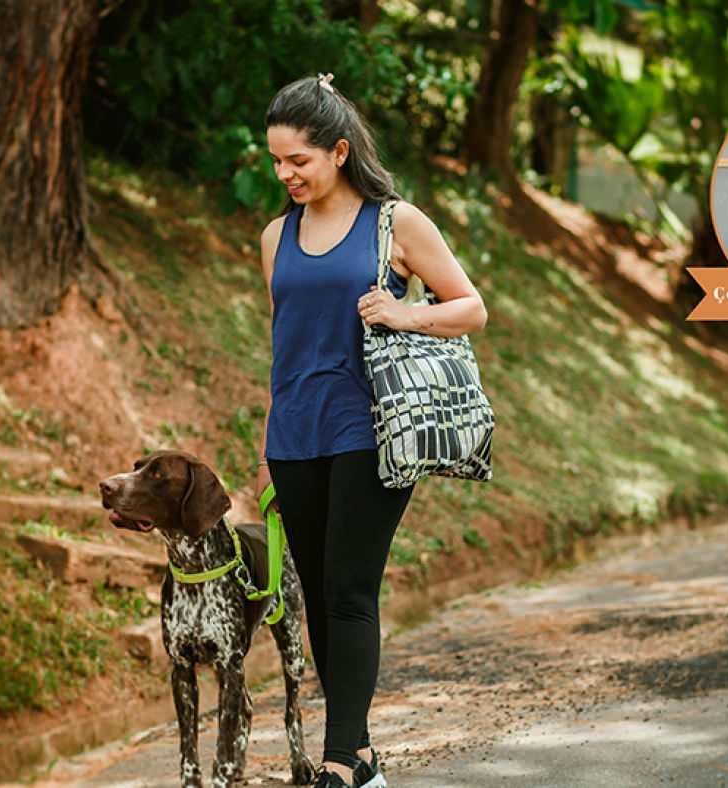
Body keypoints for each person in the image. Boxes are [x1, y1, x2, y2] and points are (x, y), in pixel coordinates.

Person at [253, 73, 487, 788]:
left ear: (340, 151)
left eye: (298, 160)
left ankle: (338, 766)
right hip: (295, 434)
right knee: (319, 597)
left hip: (372, 429)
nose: (285, 174)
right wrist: (266, 447)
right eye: (276, 162)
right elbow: (284, 343)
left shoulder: (396, 223)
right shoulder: (274, 236)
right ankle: (360, 757)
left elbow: (470, 307)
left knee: (350, 588)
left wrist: (403, 312)